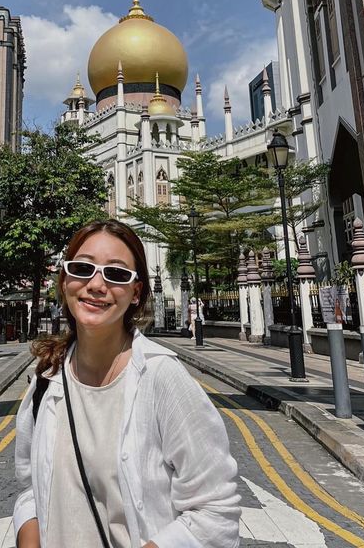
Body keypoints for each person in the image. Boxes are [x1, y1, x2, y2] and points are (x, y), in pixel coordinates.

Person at [13, 220, 240, 547]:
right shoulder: (46, 379)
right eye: (82, 268)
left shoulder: (161, 377)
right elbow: (30, 488)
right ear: (65, 281)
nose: (96, 284)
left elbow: (216, 510)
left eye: (116, 274)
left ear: (136, 293)